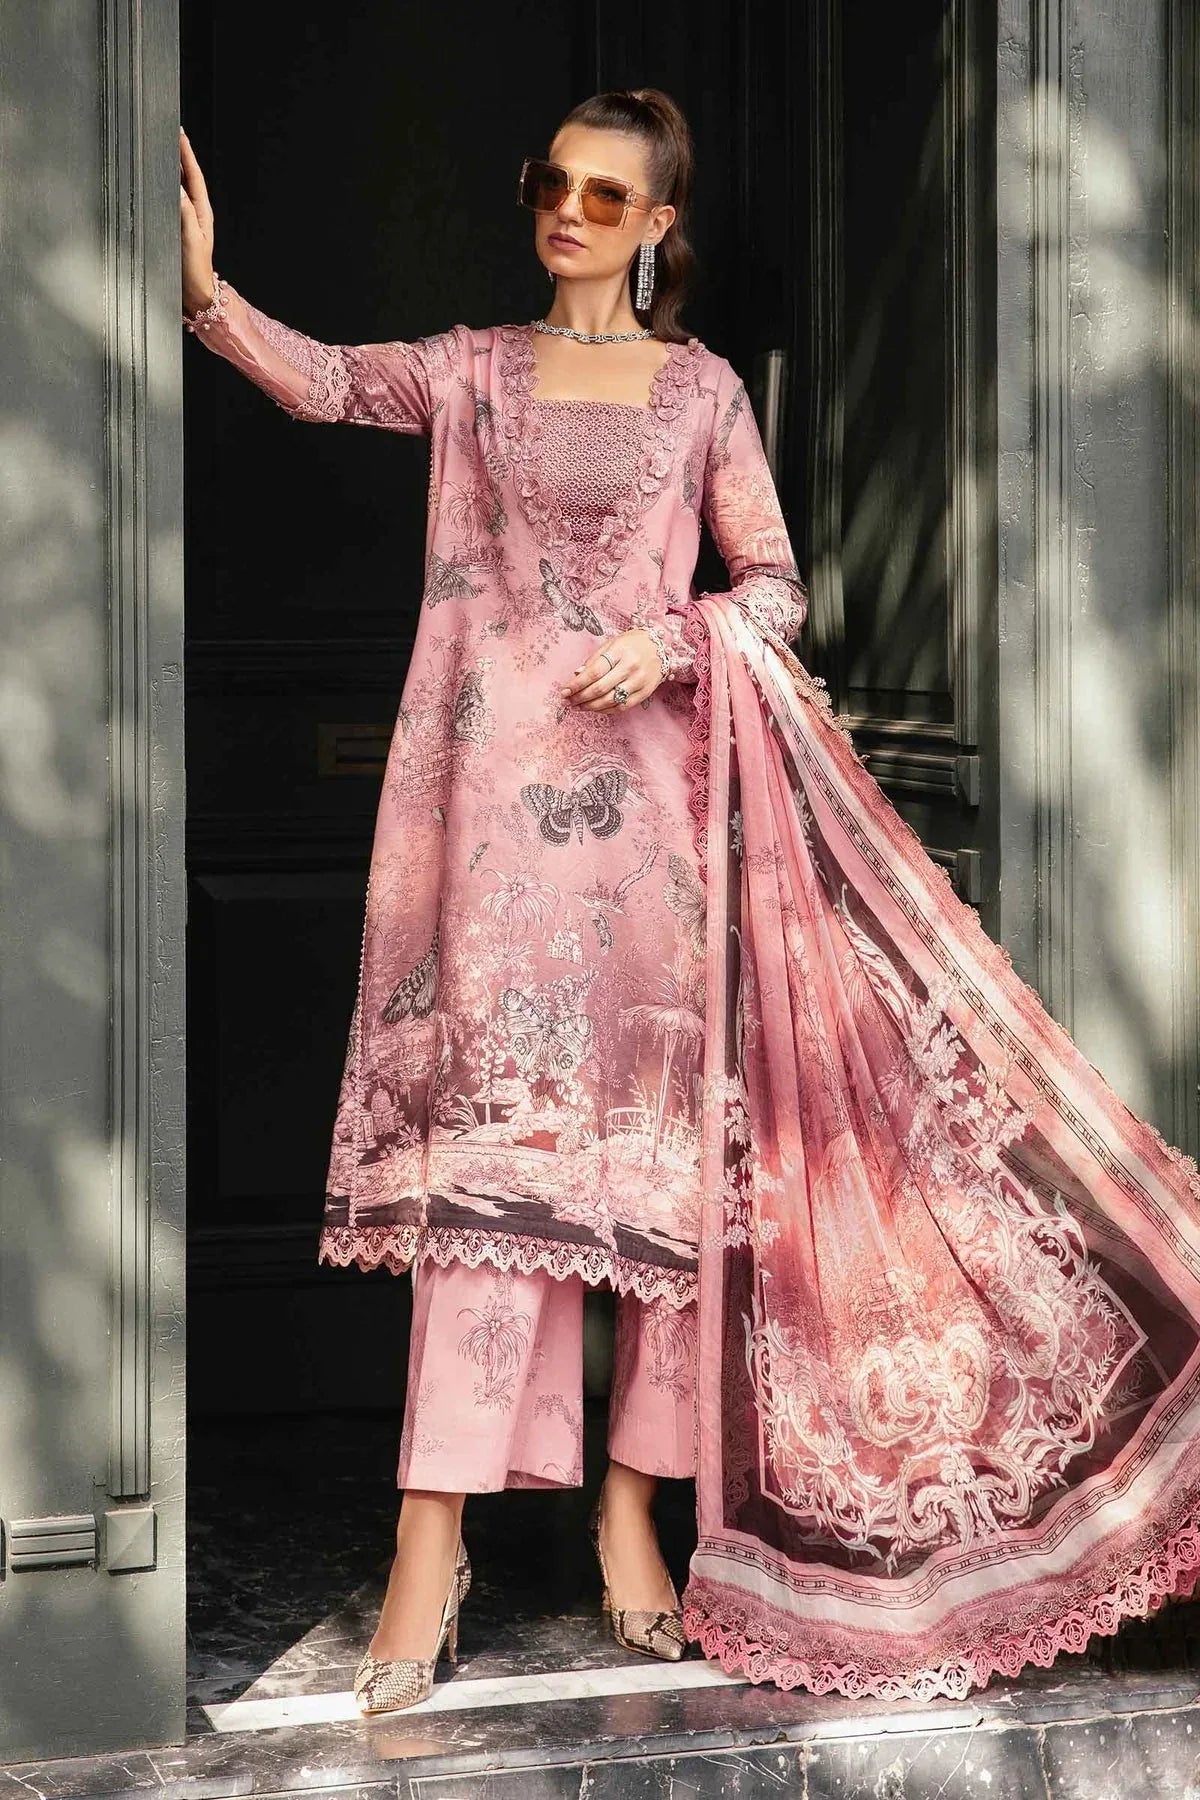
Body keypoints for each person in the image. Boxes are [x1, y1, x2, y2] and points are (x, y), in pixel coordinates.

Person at [182, 87, 1200, 1714]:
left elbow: (778, 586)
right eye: (550, 185)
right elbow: (324, 385)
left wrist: (681, 636)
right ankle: (427, 1544)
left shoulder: (703, 392)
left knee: (660, 1195)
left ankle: (634, 1515)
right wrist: (205, 296)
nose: (569, 212)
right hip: (496, 845)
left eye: (605, 194)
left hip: (660, 833)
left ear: (658, 222)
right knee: (489, 1190)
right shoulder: (473, 372)